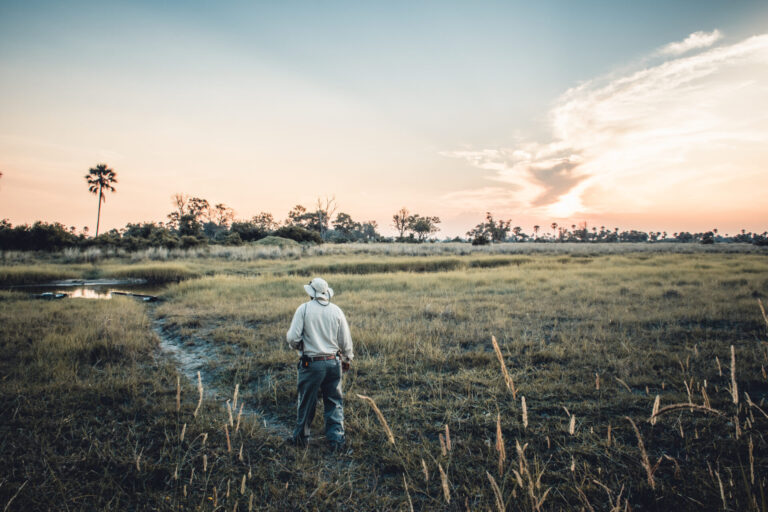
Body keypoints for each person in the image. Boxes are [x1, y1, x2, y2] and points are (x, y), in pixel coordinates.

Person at [286, 277, 353, 450]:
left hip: (311, 364)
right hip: (333, 363)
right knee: (334, 401)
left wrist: (300, 347)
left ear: (311, 294)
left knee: (307, 402)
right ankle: (337, 441)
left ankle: (301, 440)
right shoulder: (336, 311)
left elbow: (293, 338)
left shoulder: (304, 309)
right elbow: (345, 340)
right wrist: (347, 358)